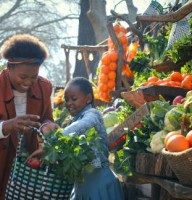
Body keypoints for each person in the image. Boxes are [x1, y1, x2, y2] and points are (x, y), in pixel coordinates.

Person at [0, 34, 58, 199]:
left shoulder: (44, 87)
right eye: (23, 77)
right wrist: (7, 125)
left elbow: (46, 117)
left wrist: (47, 125)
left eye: (34, 76)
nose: (28, 82)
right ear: (9, 67)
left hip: (26, 171)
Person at [62, 77, 125, 200]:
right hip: (81, 187)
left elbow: (83, 125)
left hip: (100, 185)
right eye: (66, 100)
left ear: (88, 98)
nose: (69, 103)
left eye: (74, 99)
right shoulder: (73, 121)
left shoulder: (92, 114)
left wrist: (57, 136)